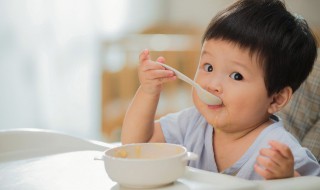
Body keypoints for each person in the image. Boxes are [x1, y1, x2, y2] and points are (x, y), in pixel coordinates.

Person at [121, 0, 320, 180]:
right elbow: (137, 145)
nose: (212, 84)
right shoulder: (191, 124)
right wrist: (148, 92)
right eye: (208, 67)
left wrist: (288, 178)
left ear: (276, 99)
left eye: (236, 76)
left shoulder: (278, 150)